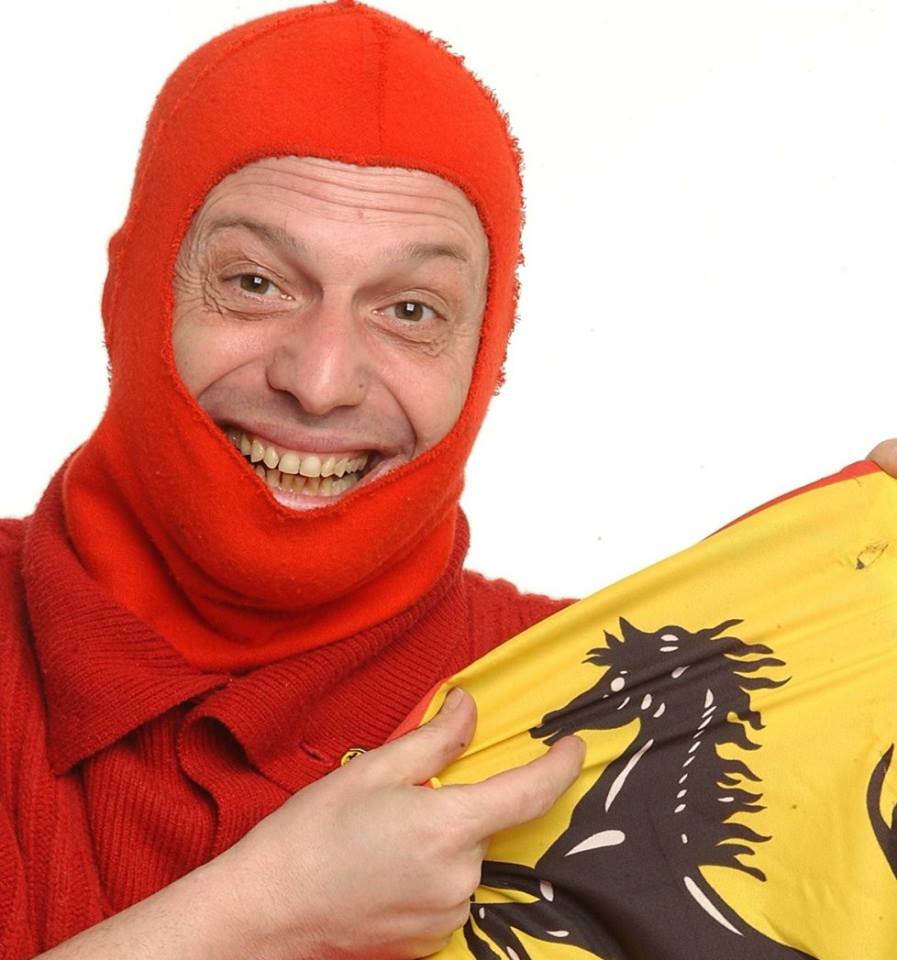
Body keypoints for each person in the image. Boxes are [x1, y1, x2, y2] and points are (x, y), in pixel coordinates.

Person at [0, 3, 894, 959]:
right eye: (255, 283)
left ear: (486, 353)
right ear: (130, 294)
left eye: (410, 310)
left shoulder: (609, 706)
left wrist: (830, 606)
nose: (321, 380)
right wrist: (258, 913)